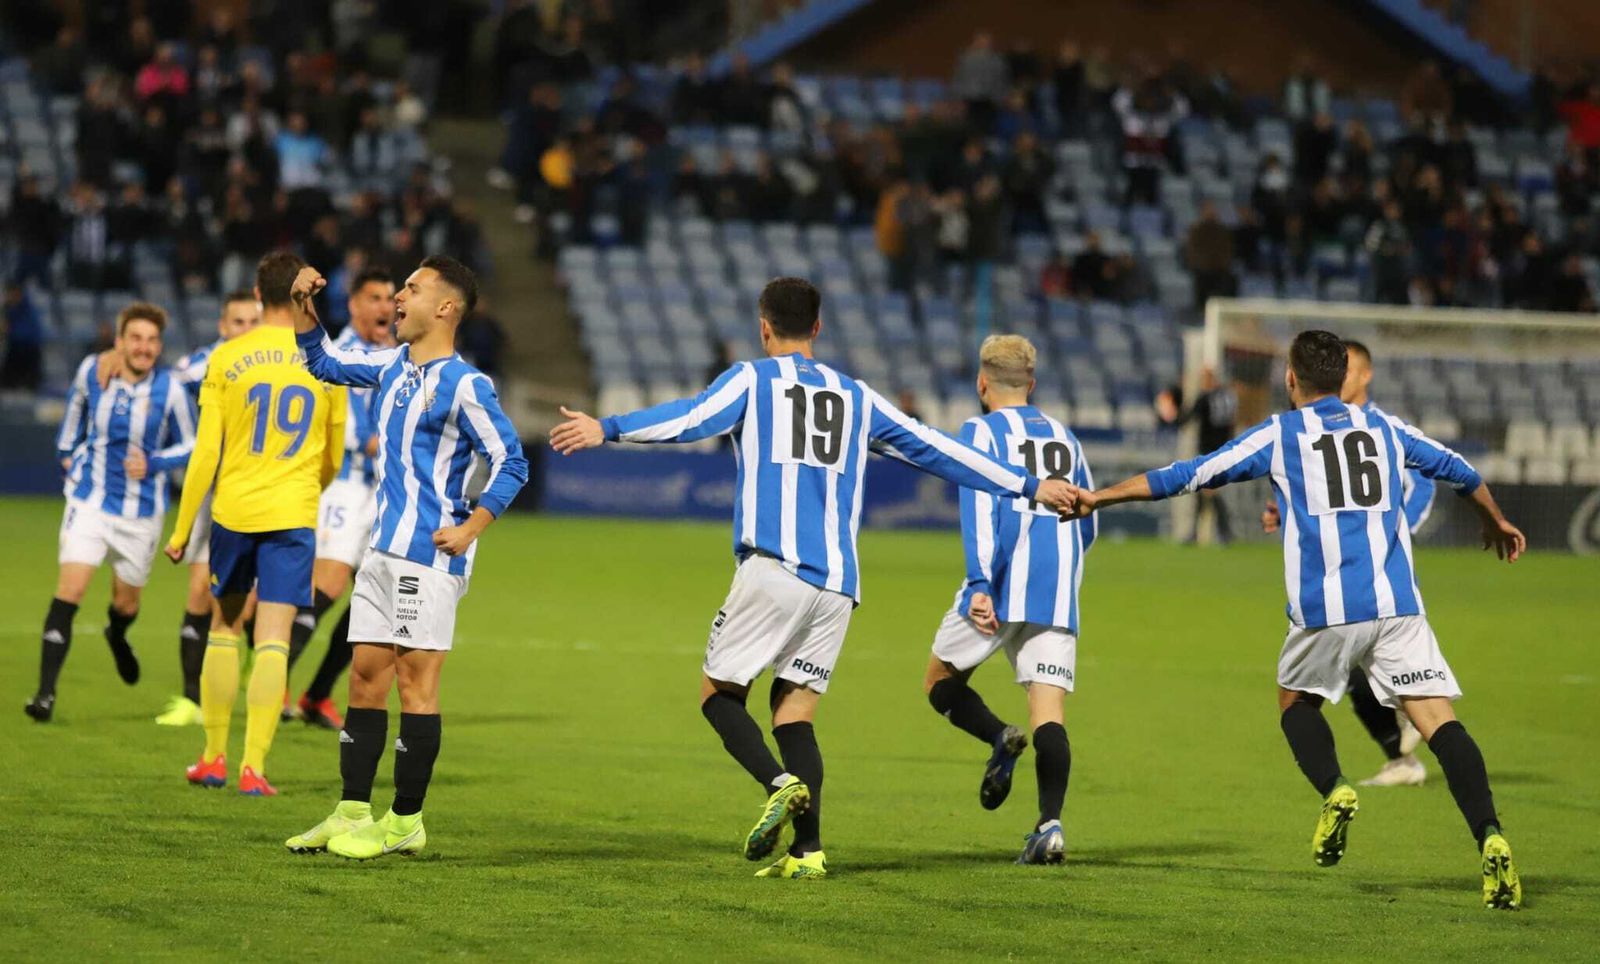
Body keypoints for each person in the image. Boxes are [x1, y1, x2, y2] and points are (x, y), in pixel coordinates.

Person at [549, 278, 1078, 880]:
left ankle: (778, 784)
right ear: (818, 328)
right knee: (793, 712)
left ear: (764, 328)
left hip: (775, 567)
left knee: (719, 695)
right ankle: (808, 852)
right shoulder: (856, 395)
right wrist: (1030, 485)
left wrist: (608, 428)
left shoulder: (753, 379)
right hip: (838, 586)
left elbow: (691, 418)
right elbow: (937, 449)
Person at [1070, 330, 1524, 909]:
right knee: (1440, 723)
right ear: (1342, 377)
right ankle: (1491, 835)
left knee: (1296, 704)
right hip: (1397, 606)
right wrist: (1494, 520)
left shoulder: (1281, 434)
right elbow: (1459, 469)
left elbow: (1189, 474)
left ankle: (1335, 789)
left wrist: (1100, 497)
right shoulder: (1386, 428)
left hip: (1325, 610)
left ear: (1291, 379)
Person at [284, 255, 528, 860]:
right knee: (365, 678)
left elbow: (512, 461)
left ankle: (406, 821)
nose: (398, 296)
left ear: (444, 307)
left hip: (428, 556)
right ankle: (351, 811)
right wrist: (303, 307)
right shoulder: (392, 365)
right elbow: (323, 363)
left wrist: (472, 527)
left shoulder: (467, 384)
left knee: (416, 685)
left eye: (412, 289)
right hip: (382, 550)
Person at [164, 252, 349, 796]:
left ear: (256, 292)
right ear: (301, 294)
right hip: (293, 514)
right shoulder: (327, 360)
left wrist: (181, 531)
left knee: (224, 629)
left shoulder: (228, 357)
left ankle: (213, 759)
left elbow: (206, 453)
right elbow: (334, 457)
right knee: (273, 639)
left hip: (234, 512)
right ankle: (255, 769)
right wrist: (304, 489)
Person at [923, 335, 1095, 864]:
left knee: (939, 682)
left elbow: (977, 506)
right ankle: (1050, 826)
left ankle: (999, 737)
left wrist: (979, 582)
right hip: (1055, 588)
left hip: (998, 584)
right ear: (1032, 384)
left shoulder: (980, 431)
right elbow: (1088, 518)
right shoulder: (1066, 438)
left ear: (982, 383)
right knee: (1049, 713)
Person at [25, 303, 195, 722]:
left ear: (160, 347)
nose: (144, 347)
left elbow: (193, 444)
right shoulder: (93, 371)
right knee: (70, 591)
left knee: (126, 604)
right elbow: (74, 413)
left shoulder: (171, 391)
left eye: (152, 340)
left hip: (141, 514)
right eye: (135, 338)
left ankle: (116, 634)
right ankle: (45, 695)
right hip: (90, 502)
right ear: (120, 342)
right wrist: (66, 453)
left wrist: (154, 462)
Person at [138, 292, 262, 727]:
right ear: (223, 327)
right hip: (215, 493)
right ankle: (191, 699)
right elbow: (162, 382)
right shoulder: (204, 364)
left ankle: (254, 665)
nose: (246, 329)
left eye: (254, 321)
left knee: (247, 607)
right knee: (199, 593)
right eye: (238, 321)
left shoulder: (278, 361)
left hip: (264, 492)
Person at [283, 268, 397, 729]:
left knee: (374, 601)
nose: (385, 306)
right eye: (375, 298)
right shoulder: (339, 352)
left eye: (390, 298)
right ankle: (273, 682)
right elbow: (342, 424)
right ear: (354, 305)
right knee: (327, 587)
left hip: (384, 493)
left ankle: (316, 696)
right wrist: (382, 442)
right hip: (345, 487)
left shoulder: (395, 355)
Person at [1156, 367, 1237, 543]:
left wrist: (1169, 414)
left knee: (1209, 492)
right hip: (1225, 449)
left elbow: (1186, 419)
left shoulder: (1205, 398)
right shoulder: (1228, 396)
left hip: (1208, 451)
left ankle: (1224, 531)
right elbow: (1232, 422)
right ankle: (1201, 532)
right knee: (1204, 491)